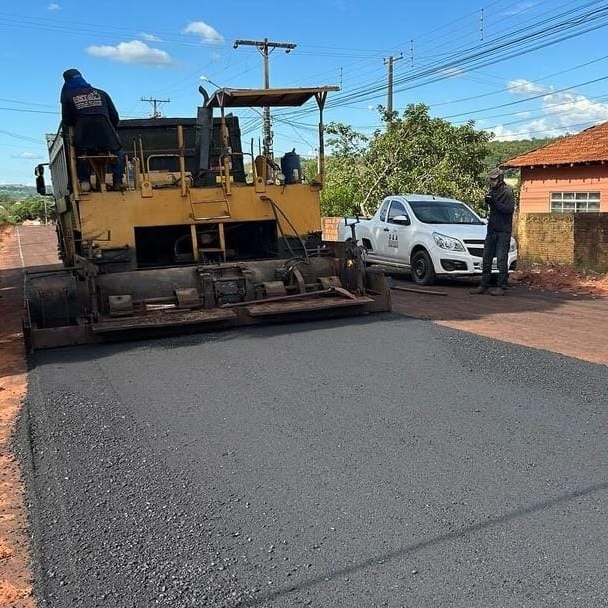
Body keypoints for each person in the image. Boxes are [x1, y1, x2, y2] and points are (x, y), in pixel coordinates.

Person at [60, 68, 125, 191]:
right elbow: (115, 117)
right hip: (107, 137)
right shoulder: (101, 93)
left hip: (84, 138)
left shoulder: (67, 95)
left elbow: (67, 120)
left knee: (78, 154)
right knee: (118, 152)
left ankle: (85, 181)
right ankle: (118, 180)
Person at [470, 168, 515, 296]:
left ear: (500, 179)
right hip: (492, 230)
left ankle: (502, 286)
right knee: (486, 258)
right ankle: (484, 284)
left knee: (501, 259)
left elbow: (509, 209)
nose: (492, 181)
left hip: (503, 231)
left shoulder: (508, 191)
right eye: (491, 179)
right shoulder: (492, 191)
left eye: (494, 179)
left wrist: (494, 203)